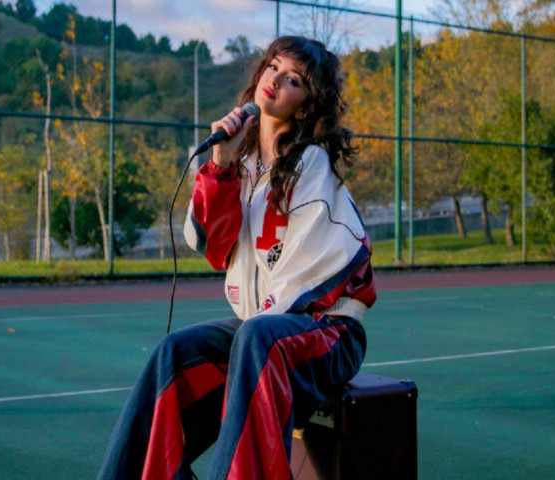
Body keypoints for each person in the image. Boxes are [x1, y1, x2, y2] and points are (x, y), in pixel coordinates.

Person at [97, 36, 376, 480]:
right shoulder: (243, 164)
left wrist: (258, 326)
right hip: (261, 330)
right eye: (273, 66)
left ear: (306, 105)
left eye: (294, 80)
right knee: (174, 353)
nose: (275, 80)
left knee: (257, 339)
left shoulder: (312, 165)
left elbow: (314, 268)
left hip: (329, 330)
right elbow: (214, 245)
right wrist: (221, 164)